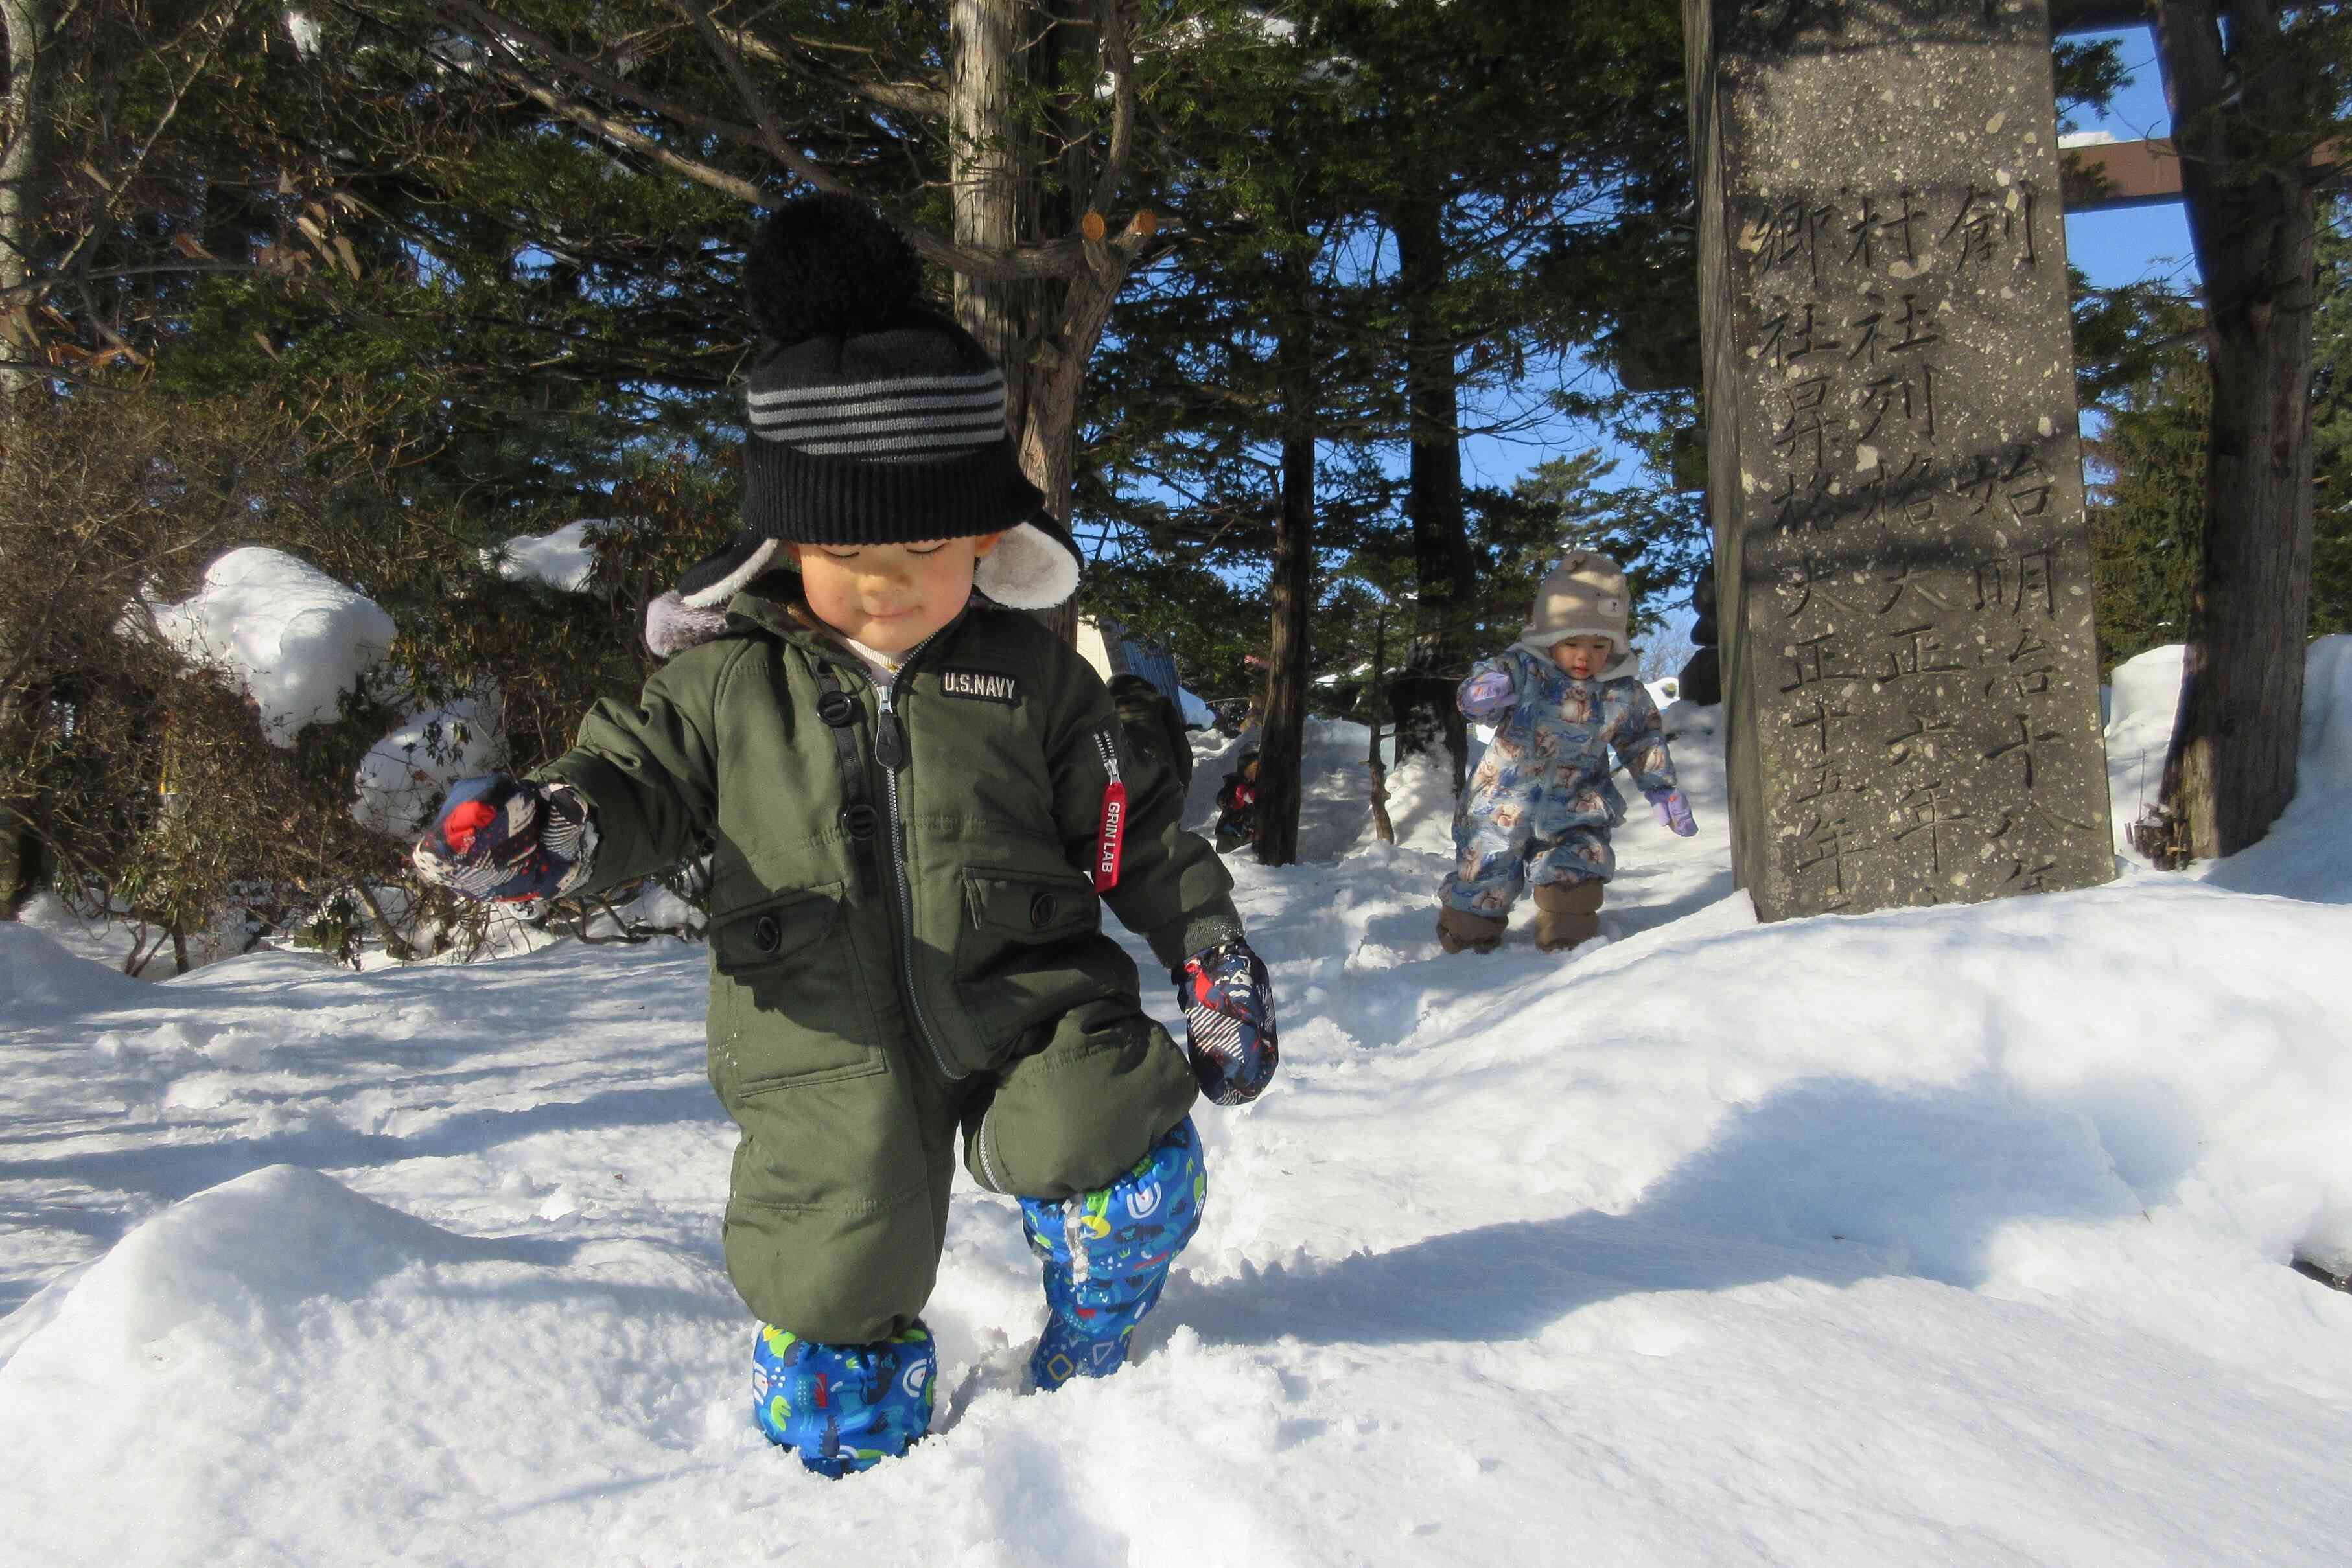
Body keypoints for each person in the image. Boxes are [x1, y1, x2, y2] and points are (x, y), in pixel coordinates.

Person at [409, 194, 1278, 1479]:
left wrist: (1208, 952)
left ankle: (1095, 1330)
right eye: (842, 549)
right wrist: (558, 829)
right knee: (831, 1252)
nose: (884, 582)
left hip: (1024, 996)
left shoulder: (1029, 679)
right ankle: (850, 1473)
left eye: (923, 544)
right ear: (778, 541)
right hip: (814, 1032)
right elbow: (632, 779)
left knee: (1103, 1125)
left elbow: (1135, 835)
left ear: (987, 535)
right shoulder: (722, 686)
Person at [1436, 549, 1697, 955]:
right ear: (1548, 638)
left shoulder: (1622, 691)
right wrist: (1482, 693)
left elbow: (1642, 740)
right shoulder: (1523, 670)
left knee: (1577, 868)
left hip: (1578, 804)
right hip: (1501, 802)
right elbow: (1477, 698)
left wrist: (1661, 788)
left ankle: (1566, 929)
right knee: (1484, 870)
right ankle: (1469, 932)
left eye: (1598, 645)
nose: (1584, 656)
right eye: (1571, 642)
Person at [1108, 672, 1193, 792]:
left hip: (1130, 792)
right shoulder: (1160, 703)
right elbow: (1182, 747)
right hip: (1166, 781)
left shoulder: (1106, 716)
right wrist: (1184, 783)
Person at [1214, 750, 1261, 854]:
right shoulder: (1235, 785)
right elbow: (1222, 799)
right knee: (1227, 861)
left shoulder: (1258, 787)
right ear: (1245, 770)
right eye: (1256, 768)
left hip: (1247, 837)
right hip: (1228, 835)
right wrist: (1237, 799)